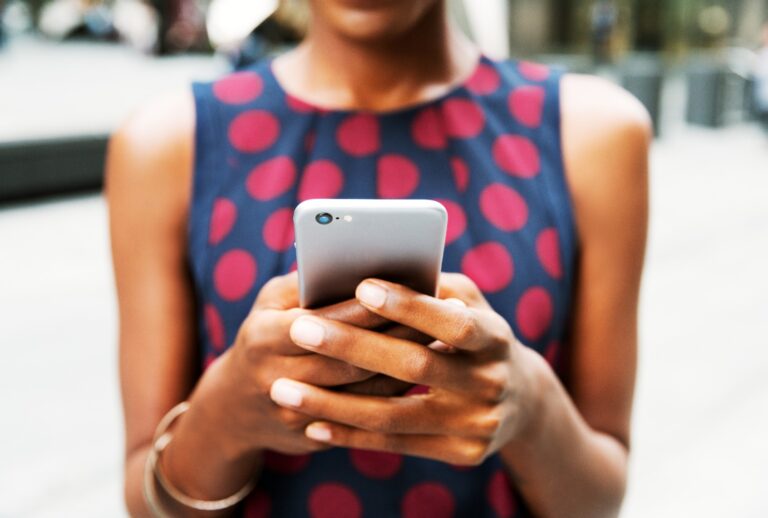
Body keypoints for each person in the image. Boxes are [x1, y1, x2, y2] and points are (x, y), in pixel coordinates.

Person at [106, 0, 651, 516]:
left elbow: (598, 501)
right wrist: (224, 420)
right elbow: (144, 500)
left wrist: (531, 407)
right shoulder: (166, 145)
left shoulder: (593, 134)